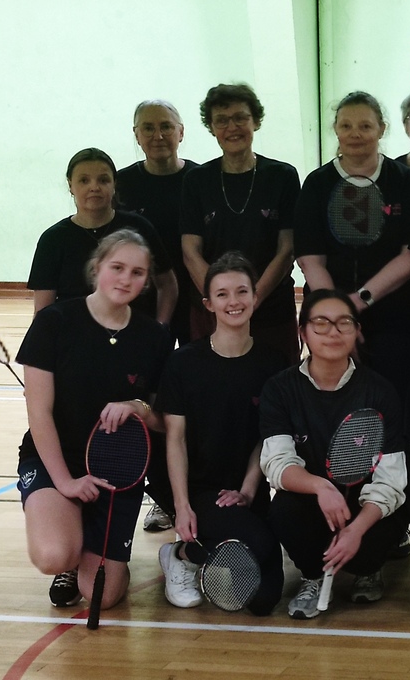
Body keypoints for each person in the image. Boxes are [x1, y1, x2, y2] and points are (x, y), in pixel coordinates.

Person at [296, 91, 410, 559]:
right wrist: (339, 317)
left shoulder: (404, 181)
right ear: (335, 130)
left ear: (382, 130)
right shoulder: (317, 184)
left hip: (397, 319)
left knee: (395, 419)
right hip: (332, 322)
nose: (355, 134)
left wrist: (359, 302)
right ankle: (334, 520)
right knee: (337, 419)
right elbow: (309, 258)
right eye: (346, 125)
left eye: (365, 126)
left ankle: (397, 521)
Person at [16, 229, 172, 609]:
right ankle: (70, 547)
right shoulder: (54, 322)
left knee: (101, 596)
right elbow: (39, 413)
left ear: (147, 280)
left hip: (120, 468)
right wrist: (66, 482)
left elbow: (164, 420)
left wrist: (138, 407)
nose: (126, 278)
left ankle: (95, 549)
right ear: (96, 267)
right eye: (117, 267)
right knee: (54, 555)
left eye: (137, 272)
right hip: (58, 461)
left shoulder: (155, 338)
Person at [259, 289, 410, 619]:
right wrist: (321, 487)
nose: (333, 332)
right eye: (321, 323)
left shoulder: (380, 391)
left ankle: (367, 569)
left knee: (380, 531)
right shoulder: (280, 389)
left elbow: (391, 479)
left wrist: (356, 530)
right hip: (313, 501)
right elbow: (277, 464)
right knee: (283, 510)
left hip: (363, 507)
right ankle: (312, 575)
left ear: (357, 331)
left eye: (344, 322)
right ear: (303, 332)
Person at [155, 252, 288, 615]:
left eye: (242, 291)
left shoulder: (274, 364)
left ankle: (198, 550)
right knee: (256, 543)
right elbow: (175, 438)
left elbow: (268, 436)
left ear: (255, 297)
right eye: (223, 294)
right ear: (208, 304)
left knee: (264, 601)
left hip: (245, 493)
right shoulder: (183, 362)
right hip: (199, 491)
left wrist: (247, 490)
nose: (234, 302)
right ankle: (181, 553)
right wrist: (181, 507)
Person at [180, 83, 301, 363]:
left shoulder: (282, 176)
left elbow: (287, 250)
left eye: (240, 118)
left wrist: (251, 299)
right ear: (212, 128)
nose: (232, 127)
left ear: (255, 121)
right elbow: (190, 251)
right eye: (222, 120)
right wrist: (222, 300)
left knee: (279, 384)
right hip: (213, 313)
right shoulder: (196, 180)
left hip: (271, 310)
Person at [28, 148, 176, 324]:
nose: (94, 187)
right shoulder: (53, 239)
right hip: (74, 334)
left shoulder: (139, 228)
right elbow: (43, 310)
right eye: (84, 180)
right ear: (70, 185)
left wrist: (160, 328)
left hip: (134, 333)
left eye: (103, 180)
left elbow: (167, 285)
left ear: (114, 184)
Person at [116, 99, 201, 346]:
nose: (158, 136)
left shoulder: (201, 181)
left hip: (196, 297)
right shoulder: (122, 184)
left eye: (166, 126)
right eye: (148, 128)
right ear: (137, 135)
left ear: (181, 132)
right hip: (140, 299)